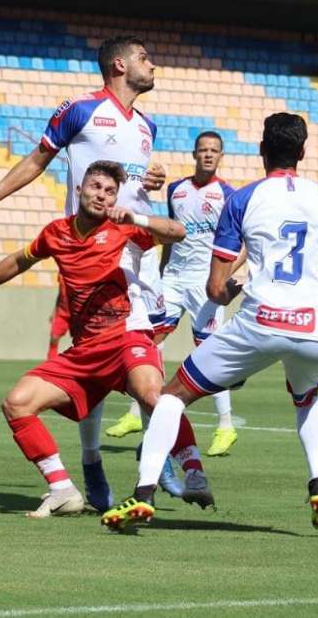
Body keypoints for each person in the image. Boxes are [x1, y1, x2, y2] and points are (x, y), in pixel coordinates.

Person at [102, 113, 318, 531]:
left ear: (261, 151)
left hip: (261, 322)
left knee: (172, 396)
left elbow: (216, 290)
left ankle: (143, 493)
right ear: (302, 153)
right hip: (317, 328)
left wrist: (233, 286)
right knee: (306, 400)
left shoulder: (244, 199)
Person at [0, 35, 166, 512]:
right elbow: (37, 159)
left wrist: (153, 178)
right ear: (118, 64)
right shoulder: (80, 109)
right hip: (90, 254)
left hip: (139, 256)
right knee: (100, 358)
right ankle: (92, 461)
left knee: (142, 370)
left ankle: (163, 463)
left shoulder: (148, 125)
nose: (154, 65)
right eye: (145, 58)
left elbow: (137, 184)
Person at [0, 161, 213, 518]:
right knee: (17, 403)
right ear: (80, 188)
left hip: (126, 335)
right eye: (96, 187)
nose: (101, 195)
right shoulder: (57, 233)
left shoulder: (122, 229)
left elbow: (178, 231)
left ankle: (194, 472)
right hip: (84, 350)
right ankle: (62, 490)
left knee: (155, 398)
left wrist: (136, 219)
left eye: (109, 191)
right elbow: (18, 262)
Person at [107, 131, 243, 458]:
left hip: (204, 282)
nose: (208, 155)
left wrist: (223, 277)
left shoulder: (229, 195)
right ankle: (135, 415)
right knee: (149, 341)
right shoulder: (176, 190)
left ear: (221, 156)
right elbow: (169, 236)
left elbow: (243, 246)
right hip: (173, 279)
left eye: (214, 151)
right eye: (203, 150)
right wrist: (163, 273)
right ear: (194, 154)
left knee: (209, 352)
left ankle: (226, 425)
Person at [46, 279, 70, 360]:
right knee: (54, 338)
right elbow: (61, 293)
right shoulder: (62, 273)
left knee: (82, 342)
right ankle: (51, 362)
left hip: (77, 312)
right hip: (62, 312)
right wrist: (54, 312)